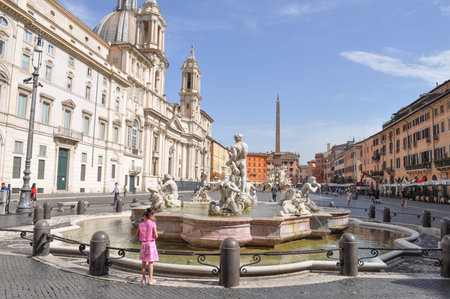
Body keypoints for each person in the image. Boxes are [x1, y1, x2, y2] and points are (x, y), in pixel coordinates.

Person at [136, 208, 159, 285]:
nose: (154, 217)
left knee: (143, 262)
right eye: (153, 216)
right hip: (151, 244)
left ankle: (143, 279)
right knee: (150, 262)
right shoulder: (153, 224)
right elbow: (156, 235)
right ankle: (151, 279)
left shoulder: (141, 224)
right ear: (151, 216)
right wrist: (153, 237)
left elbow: (137, 234)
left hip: (143, 244)